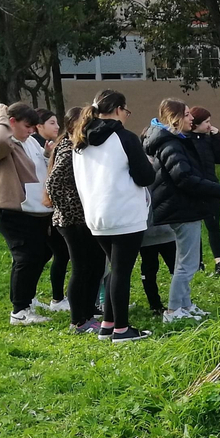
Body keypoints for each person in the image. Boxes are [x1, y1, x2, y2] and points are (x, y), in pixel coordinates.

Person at [71, 89, 155, 344]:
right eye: (126, 111)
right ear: (118, 109)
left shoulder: (80, 139)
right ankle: (121, 329)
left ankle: (107, 324)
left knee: (114, 269)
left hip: (96, 215)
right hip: (124, 212)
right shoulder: (124, 137)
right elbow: (145, 177)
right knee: (120, 272)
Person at [144, 98, 220, 323]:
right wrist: (219, 191)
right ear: (176, 118)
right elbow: (183, 177)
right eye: (188, 114)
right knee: (187, 263)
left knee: (185, 261)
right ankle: (173, 311)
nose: (192, 118)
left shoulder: (171, 140)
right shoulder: (170, 144)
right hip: (180, 208)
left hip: (180, 207)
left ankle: (185, 304)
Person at [0, 102, 53, 326]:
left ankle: (27, 299)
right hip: (7, 207)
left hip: (30, 209)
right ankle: (19, 311)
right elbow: (0, 140)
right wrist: (1, 118)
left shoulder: (26, 140)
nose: (31, 130)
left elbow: (35, 166)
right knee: (26, 255)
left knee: (42, 252)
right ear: (12, 122)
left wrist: (46, 154)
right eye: (27, 125)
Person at [45, 106, 103, 333]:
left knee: (95, 265)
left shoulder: (78, 148)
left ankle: (89, 311)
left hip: (82, 219)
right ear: (73, 126)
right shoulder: (69, 150)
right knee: (82, 267)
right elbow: (54, 183)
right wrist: (69, 212)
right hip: (73, 221)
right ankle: (78, 320)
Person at [185, 106, 220, 277]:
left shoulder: (208, 139)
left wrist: (217, 136)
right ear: (196, 124)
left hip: (212, 187)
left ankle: (219, 261)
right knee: (195, 227)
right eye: (206, 122)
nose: (209, 125)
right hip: (196, 189)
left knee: (214, 226)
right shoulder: (187, 141)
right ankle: (197, 262)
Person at [32, 108, 71, 313]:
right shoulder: (37, 146)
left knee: (47, 253)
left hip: (48, 209)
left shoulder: (48, 147)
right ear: (39, 126)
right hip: (46, 210)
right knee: (61, 252)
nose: (57, 127)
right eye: (52, 123)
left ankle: (29, 295)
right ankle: (57, 299)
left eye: (57, 123)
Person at [138, 223, 177, 317]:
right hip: (146, 237)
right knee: (149, 272)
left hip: (168, 234)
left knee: (177, 269)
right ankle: (155, 304)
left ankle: (180, 301)